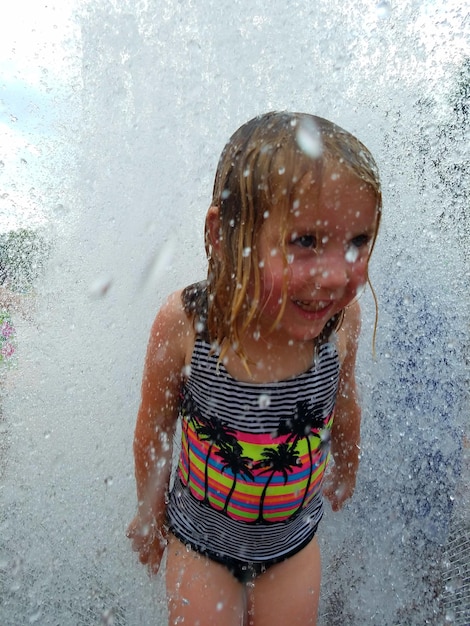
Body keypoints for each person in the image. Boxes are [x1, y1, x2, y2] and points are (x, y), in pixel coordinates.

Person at [127, 111, 382, 626]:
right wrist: (149, 511)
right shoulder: (188, 325)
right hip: (200, 543)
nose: (335, 275)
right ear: (224, 235)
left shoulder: (343, 323)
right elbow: (154, 426)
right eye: (305, 241)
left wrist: (348, 465)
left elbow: (344, 401)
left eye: (356, 242)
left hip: (290, 545)